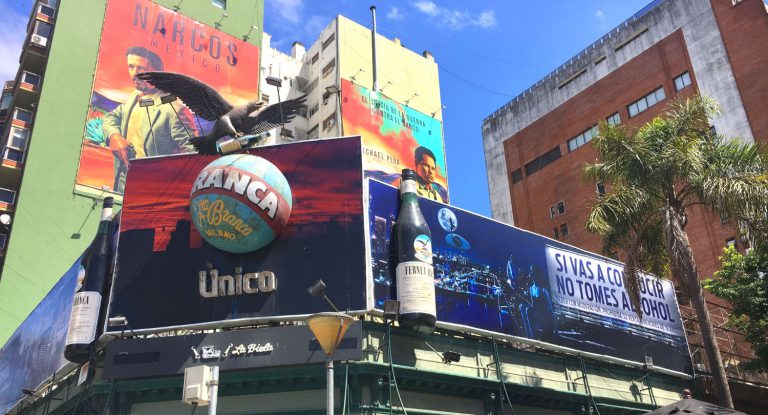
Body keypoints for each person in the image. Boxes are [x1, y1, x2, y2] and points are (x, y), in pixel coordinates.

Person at [102, 46, 196, 192]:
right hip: (123, 186)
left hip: (152, 192)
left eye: (142, 69)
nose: (134, 74)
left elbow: (193, 158)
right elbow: (111, 117)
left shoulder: (175, 111)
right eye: (131, 67)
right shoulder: (134, 96)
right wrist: (114, 136)